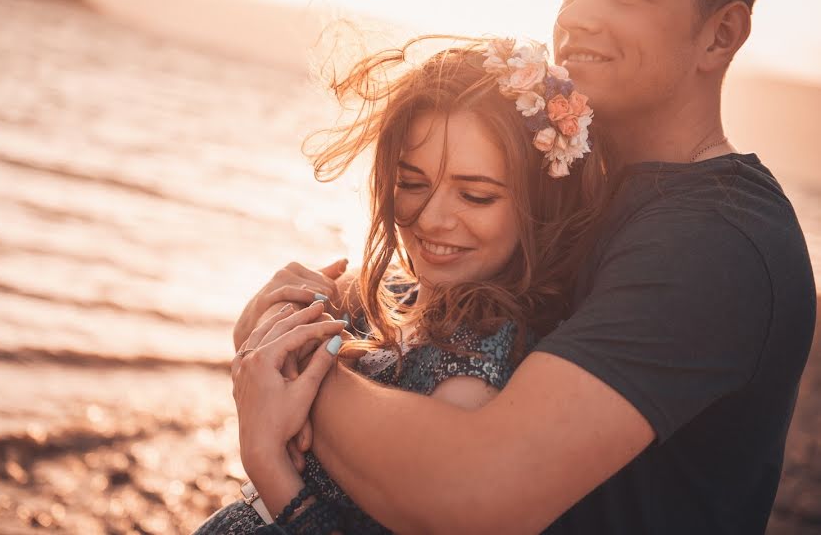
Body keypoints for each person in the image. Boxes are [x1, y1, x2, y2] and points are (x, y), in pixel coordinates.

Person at [213, 0, 816, 533]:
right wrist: (312, 313)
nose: (577, 15)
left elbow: (474, 492)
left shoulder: (718, 239)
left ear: (721, 34)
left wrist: (284, 354)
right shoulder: (580, 193)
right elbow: (439, 320)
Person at [194, 37, 607, 533]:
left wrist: (267, 465)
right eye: (411, 183)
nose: (432, 219)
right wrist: (261, 329)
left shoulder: (476, 355)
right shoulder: (384, 299)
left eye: (475, 196)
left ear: (536, 208)